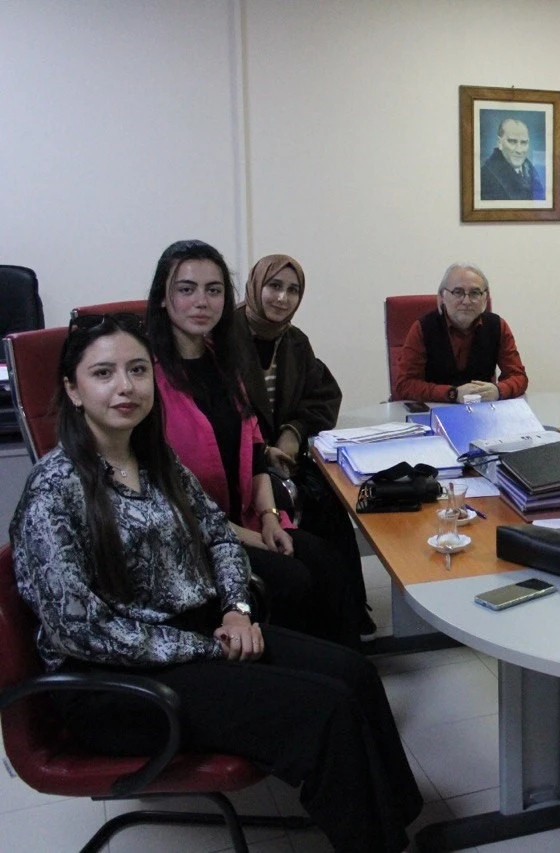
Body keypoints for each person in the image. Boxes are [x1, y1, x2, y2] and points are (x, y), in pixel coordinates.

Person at [8, 313, 422, 852]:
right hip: (114, 682)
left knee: (354, 672)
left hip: (197, 633)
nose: (125, 386)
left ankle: (397, 825)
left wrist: (236, 611)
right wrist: (207, 646)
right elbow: (80, 630)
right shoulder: (54, 491)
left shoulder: (154, 460)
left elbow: (221, 539)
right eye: (103, 373)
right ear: (73, 390)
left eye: (138, 370)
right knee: (324, 712)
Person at [146, 240, 362, 647]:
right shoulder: (145, 376)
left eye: (213, 290)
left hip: (248, 516)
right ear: (163, 296)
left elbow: (256, 450)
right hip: (192, 535)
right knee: (295, 578)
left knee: (328, 562)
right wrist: (251, 536)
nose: (202, 301)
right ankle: (300, 667)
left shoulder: (224, 360)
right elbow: (162, 492)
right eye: (186, 289)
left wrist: (268, 517)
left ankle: (347, 665)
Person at [232, 253, 373, 636]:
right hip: (242, 465)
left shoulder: (294, 342)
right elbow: (221, 417)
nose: (282, 298)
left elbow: (323, 395)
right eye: (274, 286)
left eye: (292, 290)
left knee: (332, 503)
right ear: (255, 286)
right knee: (309, 524)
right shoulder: (222, 339)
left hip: (287, 461)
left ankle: (347, 614)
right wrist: (263, 451)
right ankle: (318, 621)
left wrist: (292, 435)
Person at [391, 262, 529, 404]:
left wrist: (498, 390)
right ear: (442, 296)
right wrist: (452, 394)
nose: (466, 301)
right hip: (434, 410)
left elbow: (519, 377)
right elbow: (404, 385)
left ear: (485, 298)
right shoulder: (423, 328)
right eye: (458, 292)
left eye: (475, 293)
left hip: (482, 411)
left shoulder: (498, 326)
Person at [479, 117, 545, 201]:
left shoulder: (531, 170)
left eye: (524, 142)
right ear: (499, 143)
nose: (519, 150)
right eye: (512, 142)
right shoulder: (485, 177)